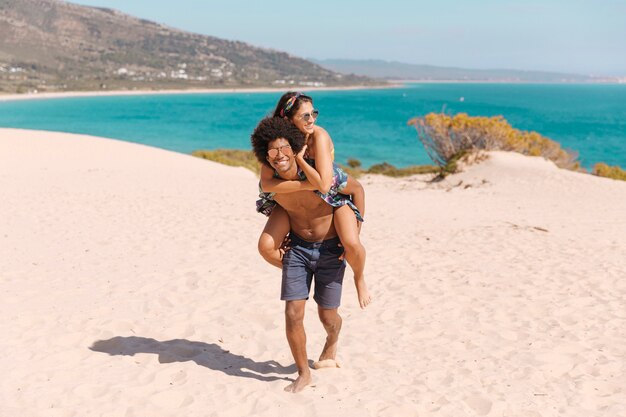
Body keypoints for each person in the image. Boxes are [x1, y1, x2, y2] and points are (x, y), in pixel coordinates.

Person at [251, 117, 365, 393]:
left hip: (331, 250)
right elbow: (269, 192)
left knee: (328, 317)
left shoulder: (320, 175)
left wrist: (358, 227)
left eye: (284, 149)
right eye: (272, 151)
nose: (279, 156)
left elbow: (356, 189)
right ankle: (303, 373)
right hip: (298, 250)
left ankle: (333, 338)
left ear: (295, 148)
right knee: (293, 313)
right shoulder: (272, 182)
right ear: (265, 156)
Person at [257, 91, 371, 309]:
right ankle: (301, 270)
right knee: (266, 247)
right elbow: (267, 185)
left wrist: (300, 158)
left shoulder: (318, 136)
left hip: (329, 181)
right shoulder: (279, 142)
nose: (312, 120)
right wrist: (305, 183)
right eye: (305, 116)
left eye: (313, 113)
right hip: (308, 188)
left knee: (352, 243)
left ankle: (359, 278)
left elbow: (325, 184)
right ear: (288, 120)